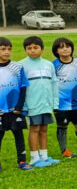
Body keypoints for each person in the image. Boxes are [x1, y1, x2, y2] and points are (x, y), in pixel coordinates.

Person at [21, 36, 59, 168]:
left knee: (44, 129)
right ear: (25, 50)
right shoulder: (21, 65)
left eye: (35, 47)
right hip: (32, 104)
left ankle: (44, 155)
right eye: (29, 48)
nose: (32, 50)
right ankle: (34, 157)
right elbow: (21, 88)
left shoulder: (48, 64)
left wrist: (55, 103)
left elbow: (54, 84)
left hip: (46, 104)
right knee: (34, 129)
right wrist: (24, 105)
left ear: (42, 49)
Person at [52, 38, 77, 157]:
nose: (65, 49)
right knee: (62, 125)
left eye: (67, 47)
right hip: (61, 102)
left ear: (72, 49)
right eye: (61, 47)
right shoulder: (53, 65)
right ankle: (64, 150)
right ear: (56, 51)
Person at [0, 37, 32, 172]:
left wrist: (19, 106)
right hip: (1, 111)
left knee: (18, 135)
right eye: (3, 49)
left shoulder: (18, 67)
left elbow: (24, 87)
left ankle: (22, 161)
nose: (7, 52)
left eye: (9, 49)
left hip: (15, 110)